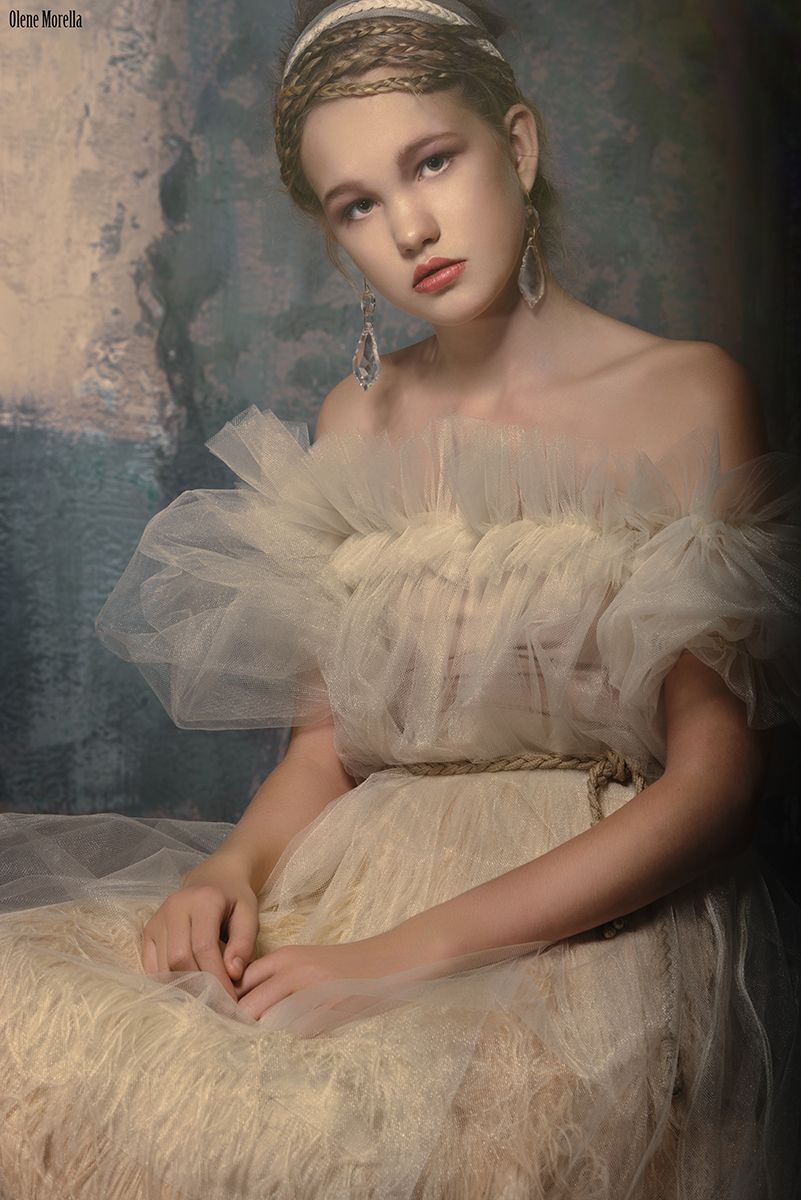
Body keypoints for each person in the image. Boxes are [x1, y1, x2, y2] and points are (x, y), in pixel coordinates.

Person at [1, 1, 800, 1196]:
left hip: (583, 925)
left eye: (433, 162)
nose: (412, 227)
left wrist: (402, 959)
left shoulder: (687, 394)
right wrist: (230, 872)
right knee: (40, 1036)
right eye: (357, 205)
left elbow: (717, 785)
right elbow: (326, 751)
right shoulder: (353, 422)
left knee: (374, 1141)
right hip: (355, 884)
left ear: (517, 146)